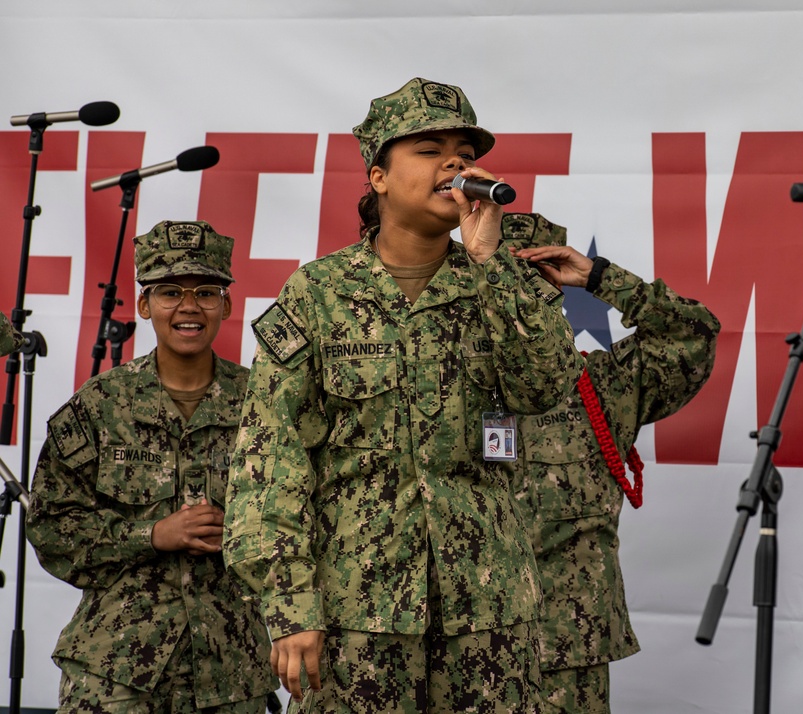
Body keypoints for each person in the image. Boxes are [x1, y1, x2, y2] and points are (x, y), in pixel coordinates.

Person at [223, 78, 583, 714]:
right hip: (357, 613)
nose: (455, 163)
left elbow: (545, 387)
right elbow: (269, 458)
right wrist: (289, 604)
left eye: (463, 151)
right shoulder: (320, 292)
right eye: (429, 148)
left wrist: (493, 264)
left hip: (490, 610)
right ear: (378, 177)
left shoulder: (499, 279)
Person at [26, 220, 277, 713]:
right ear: (144, 306)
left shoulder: (263, 404)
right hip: (117, 673)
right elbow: (51, 528)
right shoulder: (99, 407)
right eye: (169, 292)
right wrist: (152, 534)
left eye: (206, 292)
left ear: (226, 305)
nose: (189, 307)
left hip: (232, 673)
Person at [502, 212, 720, 713]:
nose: (512, 297)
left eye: (528, 278)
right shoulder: (431, 381)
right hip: (457, 646)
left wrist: (600, 278)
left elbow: (694, 336)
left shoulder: (603, 385)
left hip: (566, 650)